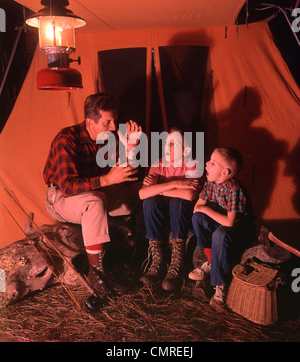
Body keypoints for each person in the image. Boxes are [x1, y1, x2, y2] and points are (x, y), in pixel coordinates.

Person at [43, 92, 142, 295]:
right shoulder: (66, 139)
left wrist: (130, 147)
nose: (114, 127)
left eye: (115, 120)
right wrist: (107, 180)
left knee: (137, 193)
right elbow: (69, 186)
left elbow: (124, 173)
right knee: (95, 202)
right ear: (90, 122)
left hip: (95, 190)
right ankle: (96, 274)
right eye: (107, 122)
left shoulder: (108, 138)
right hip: (60, 197)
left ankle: (143, 254)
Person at [189, 147, 255, 306]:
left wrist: (205, 209)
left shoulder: (234, 189)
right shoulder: (211, 184)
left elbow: (230, 222)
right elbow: (197, 208)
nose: (206, 164)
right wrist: (204, 209)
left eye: (212, 163)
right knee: (198, 218)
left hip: (240, 231)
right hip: (222, 224)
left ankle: (220, 287)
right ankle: (211, 262)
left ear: (225, 172)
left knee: (220, 233)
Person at [139, 128, 202, 292]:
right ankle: (157, 261)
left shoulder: (193, 164)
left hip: (184, 219)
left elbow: (188, 195)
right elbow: (142, 193)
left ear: (185, 150)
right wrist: (175, 184)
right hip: (161, 218)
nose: (167, 147)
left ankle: (176, 263)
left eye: (172, 144)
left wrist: (158, 188)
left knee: (177, 202)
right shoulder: (159, 163)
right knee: (149, 201)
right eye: (166, 143)